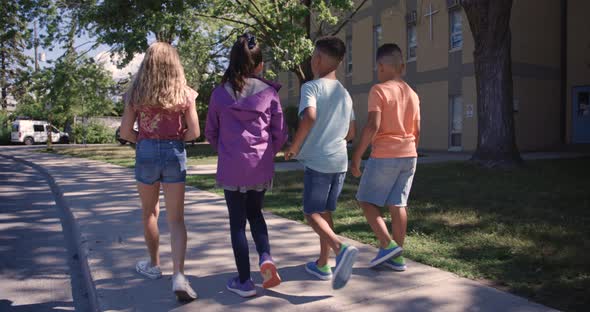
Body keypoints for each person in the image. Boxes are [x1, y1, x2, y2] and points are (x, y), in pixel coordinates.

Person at [205, 33, 288, 298]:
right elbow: (280, 133)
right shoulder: (269, 94)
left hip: (231, 167)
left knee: (237, 224)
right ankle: (265, 257)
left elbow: (211, 132)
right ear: (260, 64)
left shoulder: (219, 94)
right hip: (260, 167)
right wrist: (267, 154)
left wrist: (226, 152)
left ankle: (244, 282)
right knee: (256, 215)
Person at [119, 42, 200, 301]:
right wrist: (174, 138)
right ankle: (179, 274)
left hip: (145, 151)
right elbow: (195, 132)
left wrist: (144, 139)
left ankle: (153, 265)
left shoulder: (136, 92)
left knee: (149, 212)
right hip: (175, 152)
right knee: (176, 219)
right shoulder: (185, 93)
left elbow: (124, 132)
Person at [284, 36, 358, 290]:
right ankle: (323, 264)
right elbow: (351, 132)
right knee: (325, 213)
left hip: (319, 162)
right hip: (340, 162)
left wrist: (294, 147)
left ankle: (340, 248)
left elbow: (310, 117)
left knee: (310, 213)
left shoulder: (311, 87)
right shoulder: (345, 94)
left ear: (317, 59)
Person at [350, 43, 421, 272]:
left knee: (365, 199)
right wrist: (411, 151)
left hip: (385, 155)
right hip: (409, 154)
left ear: (381, 66)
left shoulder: (379, 90)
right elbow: (417, 130)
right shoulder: (413, 94)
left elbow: (373, 124)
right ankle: (397, 257)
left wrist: (357, 156)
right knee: (398, 203)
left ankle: (387, 244)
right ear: (401, 66)